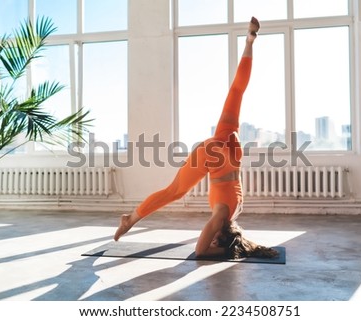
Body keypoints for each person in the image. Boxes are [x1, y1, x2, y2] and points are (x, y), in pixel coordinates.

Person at [115, 17, 278, 260]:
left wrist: (237, 244)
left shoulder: (236, 212)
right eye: (215, 237)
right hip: (215, 155)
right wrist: (226, 250)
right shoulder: (222, 216)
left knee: (236, 92)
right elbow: (200, 251)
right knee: (175, 191)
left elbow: (228, 236)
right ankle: (130, 219)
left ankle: (250, 41)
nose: (210, 236)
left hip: (231, 148)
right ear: (221, 234)